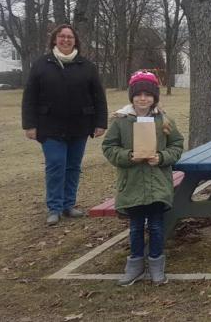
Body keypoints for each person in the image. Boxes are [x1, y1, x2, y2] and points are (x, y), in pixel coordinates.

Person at [102, 71, 184, 286]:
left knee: (157, 226)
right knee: (136, 226)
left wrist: (163, 157)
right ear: (132, 96)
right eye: (138, 94)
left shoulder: (164, 120)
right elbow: (109, 147)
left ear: (154, 97)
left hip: (157, 184)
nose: (143, 98)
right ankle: (135, 265)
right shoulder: (121, 122)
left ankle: (157, 264)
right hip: (132, 185)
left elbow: (177, 145)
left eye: (148, 94)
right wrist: (128, 156)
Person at [22, 23, 108, 226]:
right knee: (56, 165)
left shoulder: (87, 66)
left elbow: (98, 97)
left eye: (70, 37)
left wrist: (100, 123)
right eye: (62, 36)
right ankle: (54, 207)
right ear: (55, 39)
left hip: (79, 126)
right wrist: (29, 125)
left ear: (75, 40)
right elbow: (30, 97)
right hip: (49, 126)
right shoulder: (41, 65)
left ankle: (69, 204)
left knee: (73, 167)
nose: (66, 40)